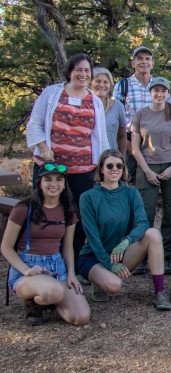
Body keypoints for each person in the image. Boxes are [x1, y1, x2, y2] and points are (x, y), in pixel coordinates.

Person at [26, 53, 109, 259]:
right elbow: (35, 123)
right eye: (78, 69)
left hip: (83, 171)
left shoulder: (95, 101)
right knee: (46, 211)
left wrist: (103, 165)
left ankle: (73, 263)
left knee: (78, 216)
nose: (83, 74)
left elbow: (100, 135)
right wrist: (45, 149)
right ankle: (42, 257)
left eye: (87, 70)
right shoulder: (52, 93)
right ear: (70, 71)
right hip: (52, 167)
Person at [78, 149, 171, 310]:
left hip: (120, 252)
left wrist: (126, 241)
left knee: (153, 234)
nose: (115, 169)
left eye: (119, 166)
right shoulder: (87, 197)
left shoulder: (131, 193)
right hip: (94, 255)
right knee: (114, 286)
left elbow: (143, 223)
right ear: (101, 168)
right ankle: (100, 279)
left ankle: (160, 291)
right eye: (110, 166)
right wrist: (109, 264)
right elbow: (92, 237)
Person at [2, 163, 90, 326]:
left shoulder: (69, 210)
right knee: (54, 291)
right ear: (39, 183)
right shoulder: (23, 208)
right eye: (48, 179)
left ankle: (49, 298)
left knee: (81, 317)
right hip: (27, 267)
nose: (53, 184)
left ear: (64, 184)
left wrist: (71, 274)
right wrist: (26, 270)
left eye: (59, 180)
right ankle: (32, 300)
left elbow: (68, 247)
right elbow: (6, 247)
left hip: (56, 266)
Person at [130, 77, 171, 266]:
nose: (159, 94)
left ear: (168, 93)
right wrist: (146, 171)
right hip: (147, 166)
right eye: (156, 90)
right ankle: (141, 255)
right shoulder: (141, 115)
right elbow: (135, 148)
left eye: (163, 91)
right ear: (150, 92)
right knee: (145, 212)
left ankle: (165, 253)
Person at [113, 46, 171, 182]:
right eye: (139, 59)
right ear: (133, 63)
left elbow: (168, 117)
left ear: (152, 63)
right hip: (128, 144)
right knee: (127, 183)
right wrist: (129, 147)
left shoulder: (161, 87)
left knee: (152, 186)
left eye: (147, 59)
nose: (144, 62)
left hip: (155, 146)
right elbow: (115, 119)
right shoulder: (122, 86)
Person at [91, 67, 127, 152]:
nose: (102, 85)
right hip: (88, 159)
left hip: (111, 158)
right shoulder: (84, 106)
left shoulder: (118, 107)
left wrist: (122, 159)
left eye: (105, 82)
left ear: (110, 85)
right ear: (90, 83)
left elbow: (122, 136)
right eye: (98, 81)